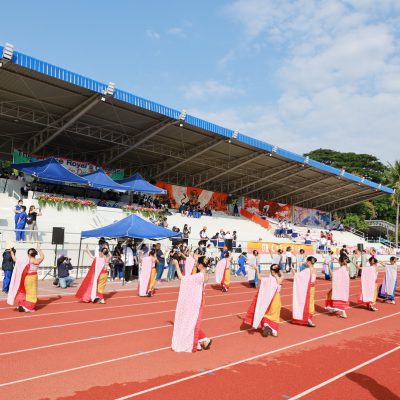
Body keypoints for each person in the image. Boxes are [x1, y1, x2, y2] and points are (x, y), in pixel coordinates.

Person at [172, 255, 212, 352]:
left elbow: (181, 278)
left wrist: (176, 265)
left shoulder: (198, 276)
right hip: (200, 298)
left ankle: (201, 341)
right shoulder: (206, 275)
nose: (196, 265)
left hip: (195, 300)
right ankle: (201, 341)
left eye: (198, 263)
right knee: (194, 321)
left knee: (191, 321)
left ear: (201, 265)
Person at [244, 264, 284, 337]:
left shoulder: (269, 279)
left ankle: (266, 324)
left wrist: (257, 269)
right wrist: (276, 271)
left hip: (268, 299)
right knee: (275, 315)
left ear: (271, 271)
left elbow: (259, 278)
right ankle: (274, 331)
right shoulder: (279, 278)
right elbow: (280, 279)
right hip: (276, 299)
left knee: (266, 312)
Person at [7, 244, 45, 312]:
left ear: (28, 254)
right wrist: (39, 249)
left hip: (27, 278)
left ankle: (23, 305)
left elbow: (15, 260)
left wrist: (12, 253)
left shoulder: (27, 261)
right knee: (32, 293)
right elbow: (42, 256)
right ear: (35, 254)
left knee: (25, 291)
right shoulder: (37, 260)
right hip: (34, 277)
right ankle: (28, 307)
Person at [291, 256, 317, 327]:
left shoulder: (307, 270)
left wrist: (292, 269)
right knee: (311, 303)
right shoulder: (314, 269)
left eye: (307, 261)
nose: (306, 262)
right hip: (312, 288)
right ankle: (309, 318)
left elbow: (297, 276)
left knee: (306, 303)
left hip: (307, 289)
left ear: (309, 262)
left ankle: (306, 318)